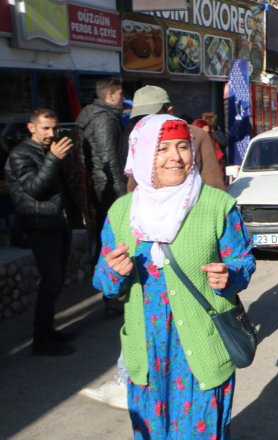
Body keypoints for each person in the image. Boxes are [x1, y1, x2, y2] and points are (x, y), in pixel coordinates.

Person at [92, 114, 255, 439]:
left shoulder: (216, 206)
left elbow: (243, 260)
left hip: (200, 350)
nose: (175, 157)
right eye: (162, 149)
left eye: (183, 147)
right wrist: (113, 273)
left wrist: (231, 274)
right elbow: (104, 281)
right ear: (141, 154)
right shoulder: (122, 212)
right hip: (148, 353)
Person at [5, 108, 83, 356]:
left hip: (57, 223)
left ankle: (48, 331)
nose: (51, 133)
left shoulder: (48, 150)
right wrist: (54, 159)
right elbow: (35, 189)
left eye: (54, 128)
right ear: (32, 128)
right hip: (40, 225)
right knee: (50, 282)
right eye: (45, 128)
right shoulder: (20, 155)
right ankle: (41, 340)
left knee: (56, 280)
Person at [122, 86, 225, 191]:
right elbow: (214, 186)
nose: (148, 120)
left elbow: (213, 185)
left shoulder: (197, 135)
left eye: (182, 147)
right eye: (142, 117)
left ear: (169, 111)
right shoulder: (136, 137)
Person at [76, 77, 126, 246]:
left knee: (103, 232)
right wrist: (121, 193)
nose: (123, 97)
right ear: (110, 95)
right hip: (107, 185)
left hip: (99, 183)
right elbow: (109, 158)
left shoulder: (96, 114)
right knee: (110, 235)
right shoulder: (104, 119)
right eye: (120, 94)